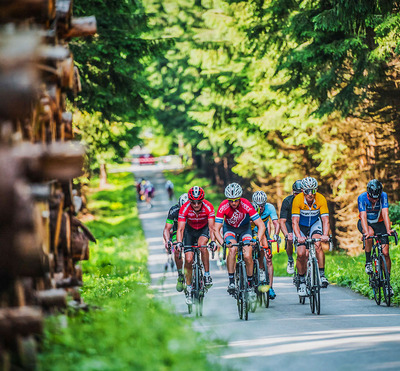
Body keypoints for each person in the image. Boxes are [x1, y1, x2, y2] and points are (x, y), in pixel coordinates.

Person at [214, 183, 268, 298]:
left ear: (240, 199)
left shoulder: (246, 204)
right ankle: (232, 281)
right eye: (231, 200)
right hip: (230, 230)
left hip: (245, 230)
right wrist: (223, 242)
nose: (233, 203)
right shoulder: (223, 206)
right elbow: (216, 229)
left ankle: (249, 282)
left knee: (248, 255)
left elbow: (261, 225)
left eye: (236, 200)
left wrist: (257, 239)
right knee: (232, 250)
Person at [176, 186, 217, 305]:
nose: (196, 205)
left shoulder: (208, 207)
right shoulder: (184, 208)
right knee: (188, 259)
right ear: (189, 201)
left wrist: (213, 241)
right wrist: (179, 242)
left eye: (199, 202)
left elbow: (212, 227)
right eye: (193, 202)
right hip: (190, 231)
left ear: (202, 200)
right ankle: (189, 289)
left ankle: (207, 274)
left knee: (202, 245)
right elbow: (180, 229)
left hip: (203, 230)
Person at [292, 177, 330, 296]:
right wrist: (298, 236)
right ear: (303, 191)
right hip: (301, 227)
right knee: (301, 253)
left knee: (318, 245)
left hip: (314, 224)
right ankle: (302, 281)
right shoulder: (297, 200)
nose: (310, 194)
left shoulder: (321, 198)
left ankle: (322, 274)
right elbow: (295, 222)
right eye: (307, 191)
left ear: (316, 190)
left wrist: (325, 235)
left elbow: (325, 220)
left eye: (313, 191)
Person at [357, 179, 394, 295]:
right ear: (368, 194)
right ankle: (368, 262)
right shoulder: (362, 198)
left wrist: (388, 230)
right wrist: (366, 232)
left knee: (386, 252)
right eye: (372, 198)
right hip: (366, 223)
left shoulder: (383, 196)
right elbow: (363, 217)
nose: (375, 200)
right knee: (370, 234)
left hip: (380, 223)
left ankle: (387, 283)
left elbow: (385, 214)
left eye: (376, 198)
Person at [251, 190, 280, 300]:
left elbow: (276, 223)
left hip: (264, 231)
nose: (261, 208)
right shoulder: (250, 208)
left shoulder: (270, 207)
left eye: (263, 205)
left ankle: (270, 287)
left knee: (268, 258)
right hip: (252, 230)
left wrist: (276, 235)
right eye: (258, 206)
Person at [163, 193, 189, 292]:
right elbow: (166, 228)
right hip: (177, 232)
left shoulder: (196, 208)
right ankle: (180, 275)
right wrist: (167, 241)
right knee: (177, 251)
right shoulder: (174, 211)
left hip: (192, 231)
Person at [279, 180, 302, 274]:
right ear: (293, 192)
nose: (298, 196)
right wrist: (286, 234)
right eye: (296, 193)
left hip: (301, 223)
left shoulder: (307, 200)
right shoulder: (287, 201)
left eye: (301, 193)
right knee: (289, 239)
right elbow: (282, 221)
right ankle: (290, 260)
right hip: (289, 222)